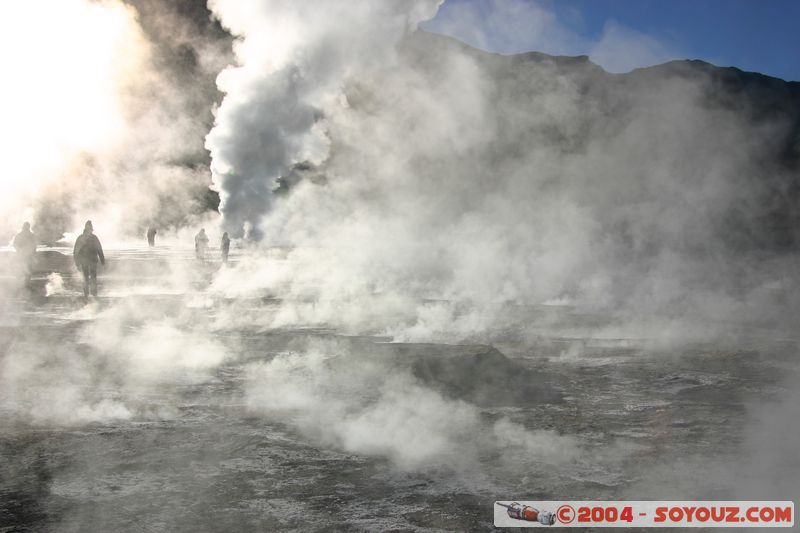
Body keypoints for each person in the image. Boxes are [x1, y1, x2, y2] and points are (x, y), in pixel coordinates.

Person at [73, 220, 105, 299]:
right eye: (89, 230)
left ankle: (93, 293)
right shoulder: (81, 238)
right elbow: (76, 251)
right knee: (86, 277)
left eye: (90, 230)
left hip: (92, 260)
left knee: (92, 277)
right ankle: (87, 293)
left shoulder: (93, 238)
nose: (90, 231)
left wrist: (102, 259)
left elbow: (99, 249)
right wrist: (77, 262)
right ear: (87, 230)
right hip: (85, 261)